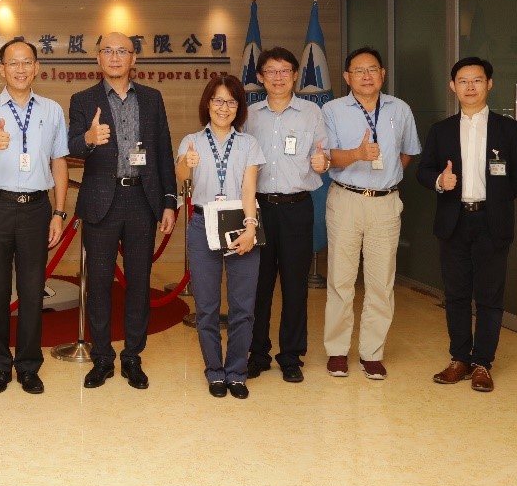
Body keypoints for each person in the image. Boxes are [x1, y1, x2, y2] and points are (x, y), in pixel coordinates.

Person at [67, 32, 177, 390]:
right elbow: (70, 147)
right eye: (108, 51)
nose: (115, 57)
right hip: (102, 200)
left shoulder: (152, 98)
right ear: (98, 58)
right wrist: (88, 139)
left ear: (134, 59)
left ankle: (132, 356)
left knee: (139, 282)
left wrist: (169, 201)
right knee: (99, 283)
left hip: (142, 199)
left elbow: (163, 151)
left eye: (122, 51)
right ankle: (102, 357)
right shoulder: (83, 99)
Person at [416, 57, 517, 393]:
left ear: (489, 84)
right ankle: (459, 359)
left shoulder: (509, 129)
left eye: (477, 80)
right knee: (455, 295)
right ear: (452, 86)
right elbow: (423, 171)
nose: (470, 87)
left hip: (492, 221)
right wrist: (440, 181)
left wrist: (497, 199)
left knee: (489, 297)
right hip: (453, 221)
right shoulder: (441, 130)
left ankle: (482, 363)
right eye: (463, 81)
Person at [0, 37, 69, 395]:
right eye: (13, 63)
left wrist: (59, 212)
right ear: (2, 69)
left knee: (32, 290)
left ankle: (28, 366)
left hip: (37, 209)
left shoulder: (52, 110)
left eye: (27, 62)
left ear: (37, 68)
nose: (20, 69)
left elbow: (59, 161)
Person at [322, 47, 421, 380]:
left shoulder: (400, 109)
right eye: (358, 70)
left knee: (381, 282)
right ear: (347, 77)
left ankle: (372, 353)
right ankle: (337, 351)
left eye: (372, 69)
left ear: (383, 74)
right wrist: (358, 154)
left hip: (385, 203)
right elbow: (327, 157)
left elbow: (408, 153)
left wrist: (386, 178)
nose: (366, 76)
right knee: (341, 280)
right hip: (346, 200)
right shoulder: (332, 110)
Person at [243, 46, 329, 384]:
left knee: (295, 286)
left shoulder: (311, 113)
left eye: (284, 71)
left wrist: (324, 161)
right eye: (270, 71)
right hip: (259, 209)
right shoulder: (249, 115)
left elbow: (323, 154)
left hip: (297, 208)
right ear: (260, 77)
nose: (277, 77)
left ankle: (291, 356)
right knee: (258, 285)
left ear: (295, 75)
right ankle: (258, 353)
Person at [177, 73, 265, 399]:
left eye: (231, 101)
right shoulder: (191, 141)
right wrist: (187, 162)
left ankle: (237, 373)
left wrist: (251, 228)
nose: (223, 107)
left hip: (241, 222)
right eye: (218, 100)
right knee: (207, 307)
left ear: (238, 107)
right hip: (203, 224)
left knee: (243, 306)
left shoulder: (248, 144)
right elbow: (180, 176)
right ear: (208, 104)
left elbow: (249, 189)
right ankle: (215, 371)